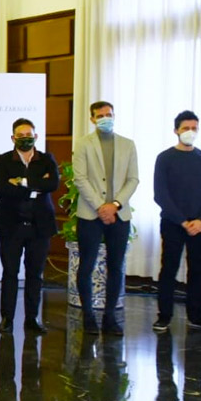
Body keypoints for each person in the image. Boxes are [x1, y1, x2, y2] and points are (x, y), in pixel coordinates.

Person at [71, 101, 138, 335]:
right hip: (90, 214)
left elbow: (133, 179)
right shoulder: (83, 144)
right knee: (87, 265)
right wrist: (101, 207)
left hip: (120, 215)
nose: (105, 118)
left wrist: (115, 205)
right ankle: (88, 315)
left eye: (109, 114)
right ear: (92, 119)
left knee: (116, 267)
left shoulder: (128, 145)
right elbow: (80, 179)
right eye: (100, 115)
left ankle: (110, 316)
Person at [153, 111, 201, 333]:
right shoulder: (165, 158)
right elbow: (160, 195)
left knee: (198, 271)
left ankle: (197, 315)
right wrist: (183, 221)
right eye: (185, 128)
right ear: (176, 131)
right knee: (169, 269)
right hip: (174, 224)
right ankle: (164, 316)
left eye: (194, 128)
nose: (190, 132)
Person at [0, 118, 60, 335]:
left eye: (28, 135)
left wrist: (21, 182)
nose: (25, 139)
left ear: (36, 136)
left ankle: (32, 318)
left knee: (35, 274)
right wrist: (36, 184)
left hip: (40, 227)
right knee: (10, 273)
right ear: (13, 138)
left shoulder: (47, 159)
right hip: (11, 226)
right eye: (20, 136)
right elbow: (2, 189)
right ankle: (7, 319)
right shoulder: (3, 160)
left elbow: (53, 184)